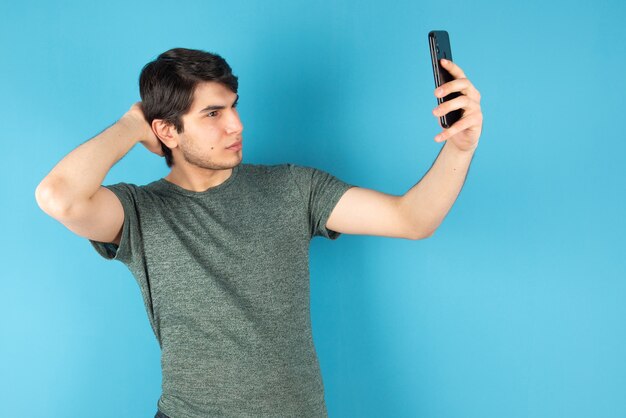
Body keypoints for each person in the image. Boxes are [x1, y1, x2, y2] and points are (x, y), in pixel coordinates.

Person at [35, 47, 482, 417]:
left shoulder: (292, 187)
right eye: (213, 113)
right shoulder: (140, 212)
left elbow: (412, 219)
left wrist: (461, 145)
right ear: (167, 131)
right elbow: (59, 197)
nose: (236, 125)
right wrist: (132, 125)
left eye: (233, 107)